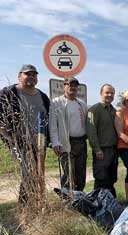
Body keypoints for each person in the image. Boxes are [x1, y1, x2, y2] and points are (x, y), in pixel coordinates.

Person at [0, 64, 50, 204]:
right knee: (29, 173)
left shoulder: (42, 96)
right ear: (19, 76)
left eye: (34, 75)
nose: (31, 77)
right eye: (28, 74)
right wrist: (9, 137)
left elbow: (48, 117)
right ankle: (25, 207)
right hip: (20, 142)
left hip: (40, 143)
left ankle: (37, 204)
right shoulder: (8, 93)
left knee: (38, 174)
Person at [49, 77, 88, 191]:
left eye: (75, 85)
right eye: (70, 84)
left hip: (81, 142)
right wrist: (55, 142)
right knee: (69, 175)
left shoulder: (82, 104)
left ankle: (79, 200)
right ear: (64, 86)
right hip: (66, 143)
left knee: (81, 175)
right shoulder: (56, 102)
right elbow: (53, 125)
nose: (73, 87)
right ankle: (66, 201)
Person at [87, 84, 118, 197]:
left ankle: (110, 203)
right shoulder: (94, 109)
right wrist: (97, 149)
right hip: (101, 150)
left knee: (111, 178)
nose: (109, 95)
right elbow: (91, 131)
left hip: (113, 150)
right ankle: (97, 203)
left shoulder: (114, 111)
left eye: (112, 93)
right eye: (107, 92)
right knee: (101, 178)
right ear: (101, 93)